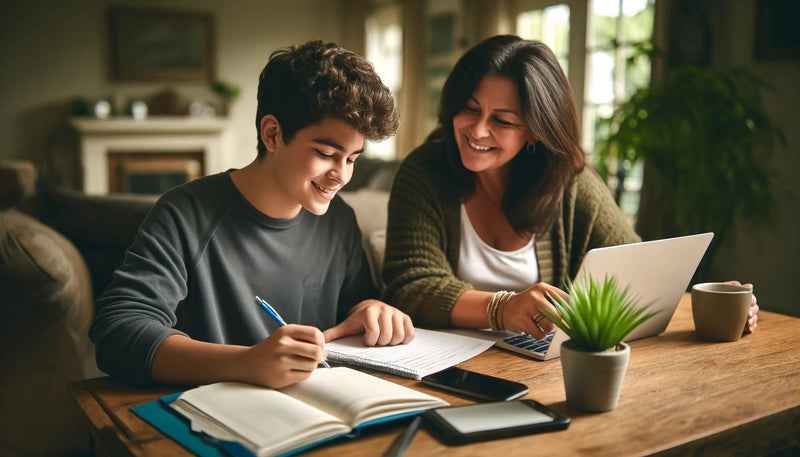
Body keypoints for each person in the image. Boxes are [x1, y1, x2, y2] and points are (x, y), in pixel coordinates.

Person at [381, 34, 758, 338]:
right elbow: (411, 284)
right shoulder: (424, 173)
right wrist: (502, 308)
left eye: (503, 120)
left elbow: (637, 273)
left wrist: (713, 304)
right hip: (445, 368)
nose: (478, 130)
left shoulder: (570, 183)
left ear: (534, 131)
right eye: (470, 108)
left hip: (541, 371)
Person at [90, 40, 414, 389]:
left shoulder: (339, 220)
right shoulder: (185, 214)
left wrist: (368, 309)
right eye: (325, 153)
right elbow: (117, 332)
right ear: (273, 134)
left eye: (352, 158)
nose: (342, 175)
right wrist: (247, 362)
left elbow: (351, 306)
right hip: (215, 416)